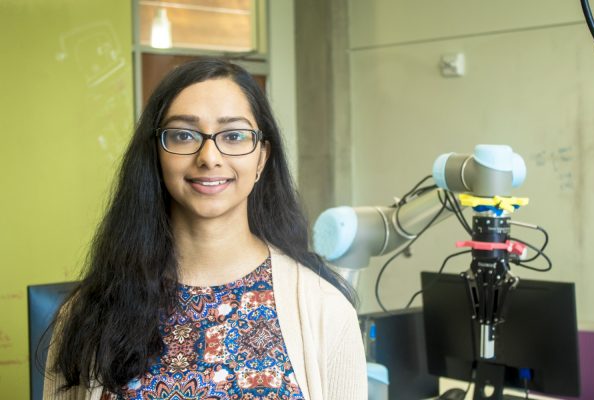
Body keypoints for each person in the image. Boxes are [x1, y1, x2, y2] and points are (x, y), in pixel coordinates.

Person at [43, 57, 367, 400]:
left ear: (261, 157)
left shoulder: (324, 308)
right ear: (156, 154)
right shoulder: (90, 312)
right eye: (183, 135)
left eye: (235, 135)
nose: (209, 156)